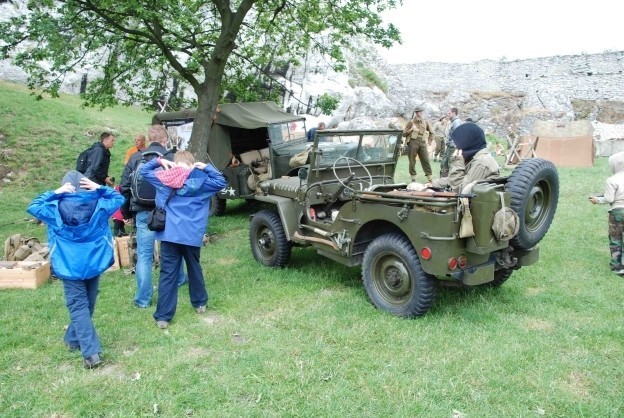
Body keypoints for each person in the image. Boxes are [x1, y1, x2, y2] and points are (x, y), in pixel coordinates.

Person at [26, 170, 124, 369]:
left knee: (81, 306)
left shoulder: (54, 207)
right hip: (93, 262)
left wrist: (55, 192)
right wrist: (100, 188)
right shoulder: (100, 203)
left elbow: (33, 206)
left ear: (66, 187)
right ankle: (88, 349)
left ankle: (84, 348)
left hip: (69, 265)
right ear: (86, 185)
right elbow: (118, 197)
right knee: (85, 304)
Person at [140, 151, 226, 329]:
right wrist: (206, 167)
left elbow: (144, 171)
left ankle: (163, 317)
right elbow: (221, 181)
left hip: (170, 235)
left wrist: (159, 161)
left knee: (168, 274)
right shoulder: (201, 183)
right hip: (192, 235)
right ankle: (200, 303)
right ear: (192, 164)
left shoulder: (164, 178)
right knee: (194, 268)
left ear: (175, 163)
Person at [119, 125, 176, 308]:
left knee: (144, 255)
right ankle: (180, 280)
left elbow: (124, 187)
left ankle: (143, 299)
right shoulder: (172, 157)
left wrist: (126, 213)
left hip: (143, 211)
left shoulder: (135, 158)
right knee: (174, 250)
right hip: (169, 211)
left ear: (148, 138)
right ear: (165, 139)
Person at [428, 123, 500, 193]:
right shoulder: (474, 156)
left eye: (459, 143)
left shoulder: (482, 162)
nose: (456, 147)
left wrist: (457, 164)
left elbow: (461, 191)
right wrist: (434, 184)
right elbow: (453, 180)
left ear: (467, 142)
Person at [589, 151, 624, 275]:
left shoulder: (611, 180)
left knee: (616, 238)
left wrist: (597, 200)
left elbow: (609, 199)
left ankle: (617, 267)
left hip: (617, 213)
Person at [402, 107, 434, 183]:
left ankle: (430, 178)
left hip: (422, 143)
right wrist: (411, 129)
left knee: (426, 160)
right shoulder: (411, 122)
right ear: (416, 113)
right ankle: (413, 178)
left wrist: (430, 141)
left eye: (421, 111)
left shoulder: (425, 122)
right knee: (412, 161)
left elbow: (431, 132)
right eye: (419, 112)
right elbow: (403, 133)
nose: (421, 113)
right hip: (413, 142)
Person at [440, 107, 463, 178]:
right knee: (444, 163)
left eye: (449, 113)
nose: (448, 114)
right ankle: (443, 180)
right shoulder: (452, 122)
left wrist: (455, 145)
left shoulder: (457, 122)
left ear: (454, 113)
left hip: (453, 146)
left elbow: (458, 134)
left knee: (451, 164)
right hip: (450, 146)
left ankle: (450, 182)